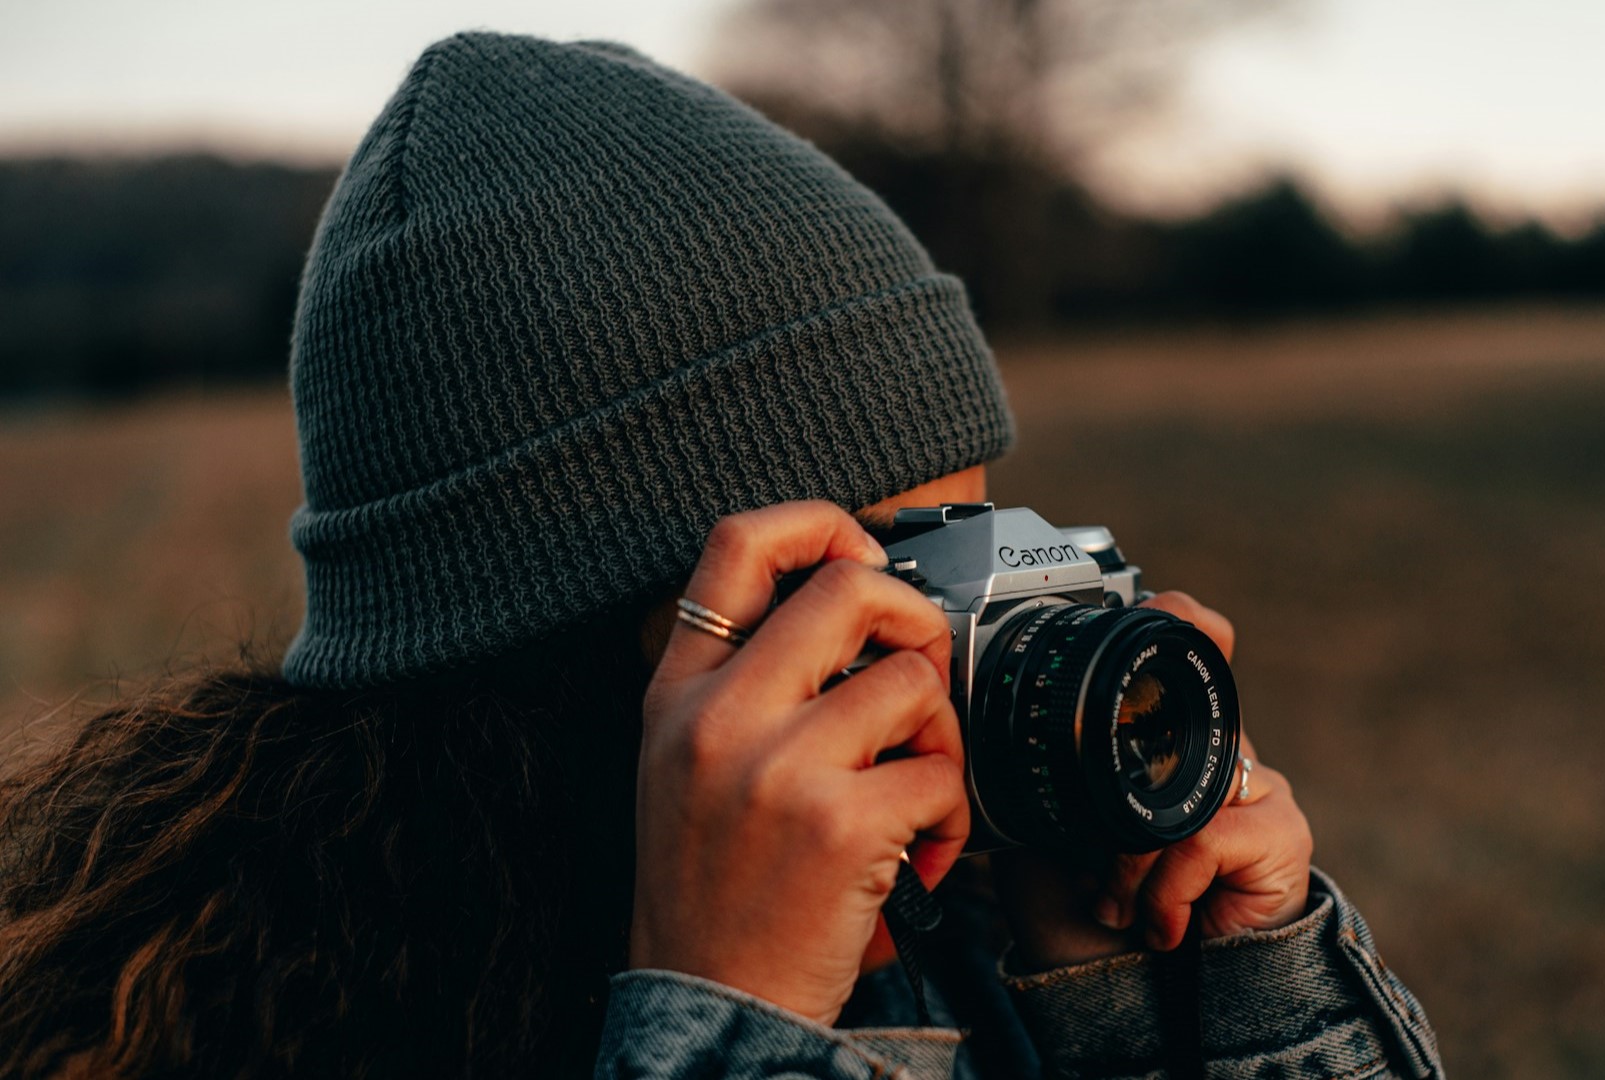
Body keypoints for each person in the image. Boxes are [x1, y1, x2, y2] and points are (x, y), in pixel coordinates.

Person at [0, 32, 1443, 1080]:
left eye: (979, 547)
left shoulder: (956, 929)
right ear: (564, 659)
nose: (958, 644)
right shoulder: (255, 1029)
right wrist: (730, 1023)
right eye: (881, 587)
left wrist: (1209, 1011)